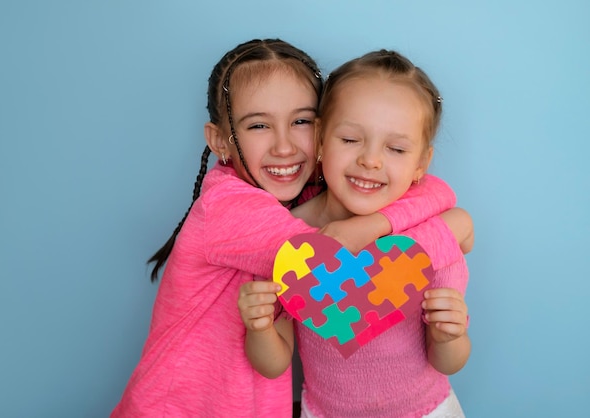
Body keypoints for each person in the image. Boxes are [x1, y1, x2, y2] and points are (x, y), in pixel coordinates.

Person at [112, 39, 461, 418]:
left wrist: (377, 223)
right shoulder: (230, 208)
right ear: (219, 141)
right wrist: (455, 227)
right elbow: (349, 285)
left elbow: (432, 191)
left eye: (300, 122)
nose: (283, 146)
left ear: (320, 131)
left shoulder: (303, 195)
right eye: (259, 125)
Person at [238, 49, 472, 417]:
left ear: (420, 165)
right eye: (350, 140)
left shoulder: (429, 238)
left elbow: (448, 362)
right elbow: (273, 364)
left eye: (395, 148)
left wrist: (451, 335)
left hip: (427, 410)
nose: (371, 160)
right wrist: (259, 327)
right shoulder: (290, 242)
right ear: (319, 140)